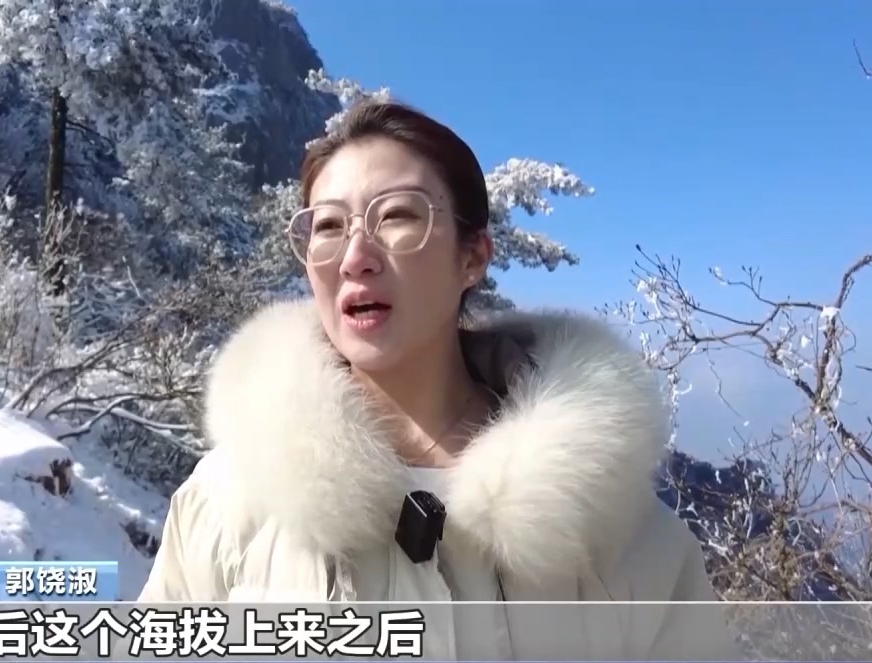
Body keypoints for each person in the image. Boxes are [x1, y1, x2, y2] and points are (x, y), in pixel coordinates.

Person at [138, 100, 737, 660]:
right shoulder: (228, 504)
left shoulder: (625, 538)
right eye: (328, 227)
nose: (355, 257)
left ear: (472, 257)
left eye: (398, 216)